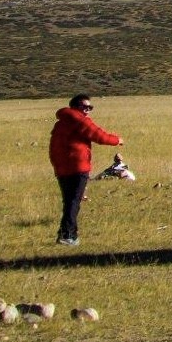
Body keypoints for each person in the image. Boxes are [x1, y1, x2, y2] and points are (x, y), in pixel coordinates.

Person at [50, 95, 122, 246]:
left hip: (62, 168)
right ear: (75, 107)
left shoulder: (60, 123)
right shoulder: (79, 120)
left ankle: (69, 234)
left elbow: (54, 148)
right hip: (78, 166)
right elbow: (98, 136)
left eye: (90, 107)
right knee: (74, 201)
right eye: (85, 107)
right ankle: (67, 235)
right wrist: (117, 140)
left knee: (69, 201)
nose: (88, 110)